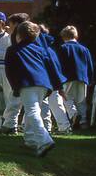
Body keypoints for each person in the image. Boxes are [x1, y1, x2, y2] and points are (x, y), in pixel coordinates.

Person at [4, 21, 66, 157]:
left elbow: (10, 71)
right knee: (33, 110)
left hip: (27, 83)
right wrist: (59, 87)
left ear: (18, 35)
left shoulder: (12, 50)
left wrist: (15, 87)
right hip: (44, 85)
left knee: (32, 112)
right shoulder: (41, 50)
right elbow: (51, 68)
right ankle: (30, 140)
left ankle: (45, 140)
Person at [37, 22, 73, 134]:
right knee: (52, 104)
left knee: (51, 104)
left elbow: (52, 67)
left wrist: (58, 84)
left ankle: (62, 127)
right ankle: (57, 126)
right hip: (52, 81)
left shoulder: (44, 50)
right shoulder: (50, 49)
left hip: (49, 81)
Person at [57, 25, 94, 129]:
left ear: (63, 37)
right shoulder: (84, 49)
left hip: (67, 77)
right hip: (83, 77)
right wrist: (90, 78)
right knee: (81, 100)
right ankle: (83, 122)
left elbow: (59, 64)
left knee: (67, 98)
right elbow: (90, 65)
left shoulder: (63, 48)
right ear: (76, 36)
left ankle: (74, 114)